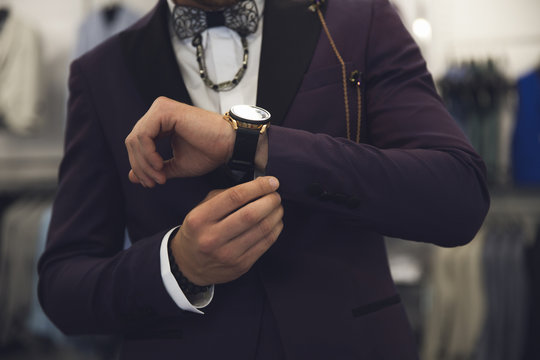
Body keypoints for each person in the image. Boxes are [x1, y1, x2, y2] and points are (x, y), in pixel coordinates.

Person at [38, 0, 490, 358]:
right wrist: (176, 266)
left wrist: (254, 143)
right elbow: (62, 286)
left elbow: (458, 197)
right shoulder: (101, 72)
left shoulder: (359, 19)